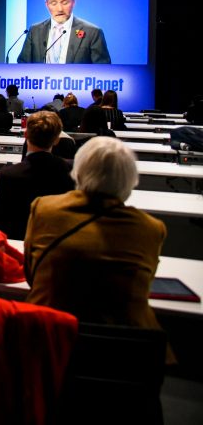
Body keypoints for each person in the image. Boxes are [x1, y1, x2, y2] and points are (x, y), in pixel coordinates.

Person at [24, 136, 165, 333]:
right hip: (127, 340)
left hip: (48, 333)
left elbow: (31, 273)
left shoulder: (44, 210)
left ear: (79, 171)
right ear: (130, 179)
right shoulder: (151, 228)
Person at [0, 111, 75, 240]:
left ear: (26, 135)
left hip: (16, 234)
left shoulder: (8, 174)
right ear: (56, 140)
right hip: (55, 235)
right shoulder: (71, 171)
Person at [17, 0, 111, 64]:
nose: (59, 9)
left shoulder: (92, 32)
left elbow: (103, 69)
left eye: (64, 3)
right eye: (54, 3)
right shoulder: (35, 30)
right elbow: (23, 64)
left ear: (74, 2)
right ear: (47, 5)